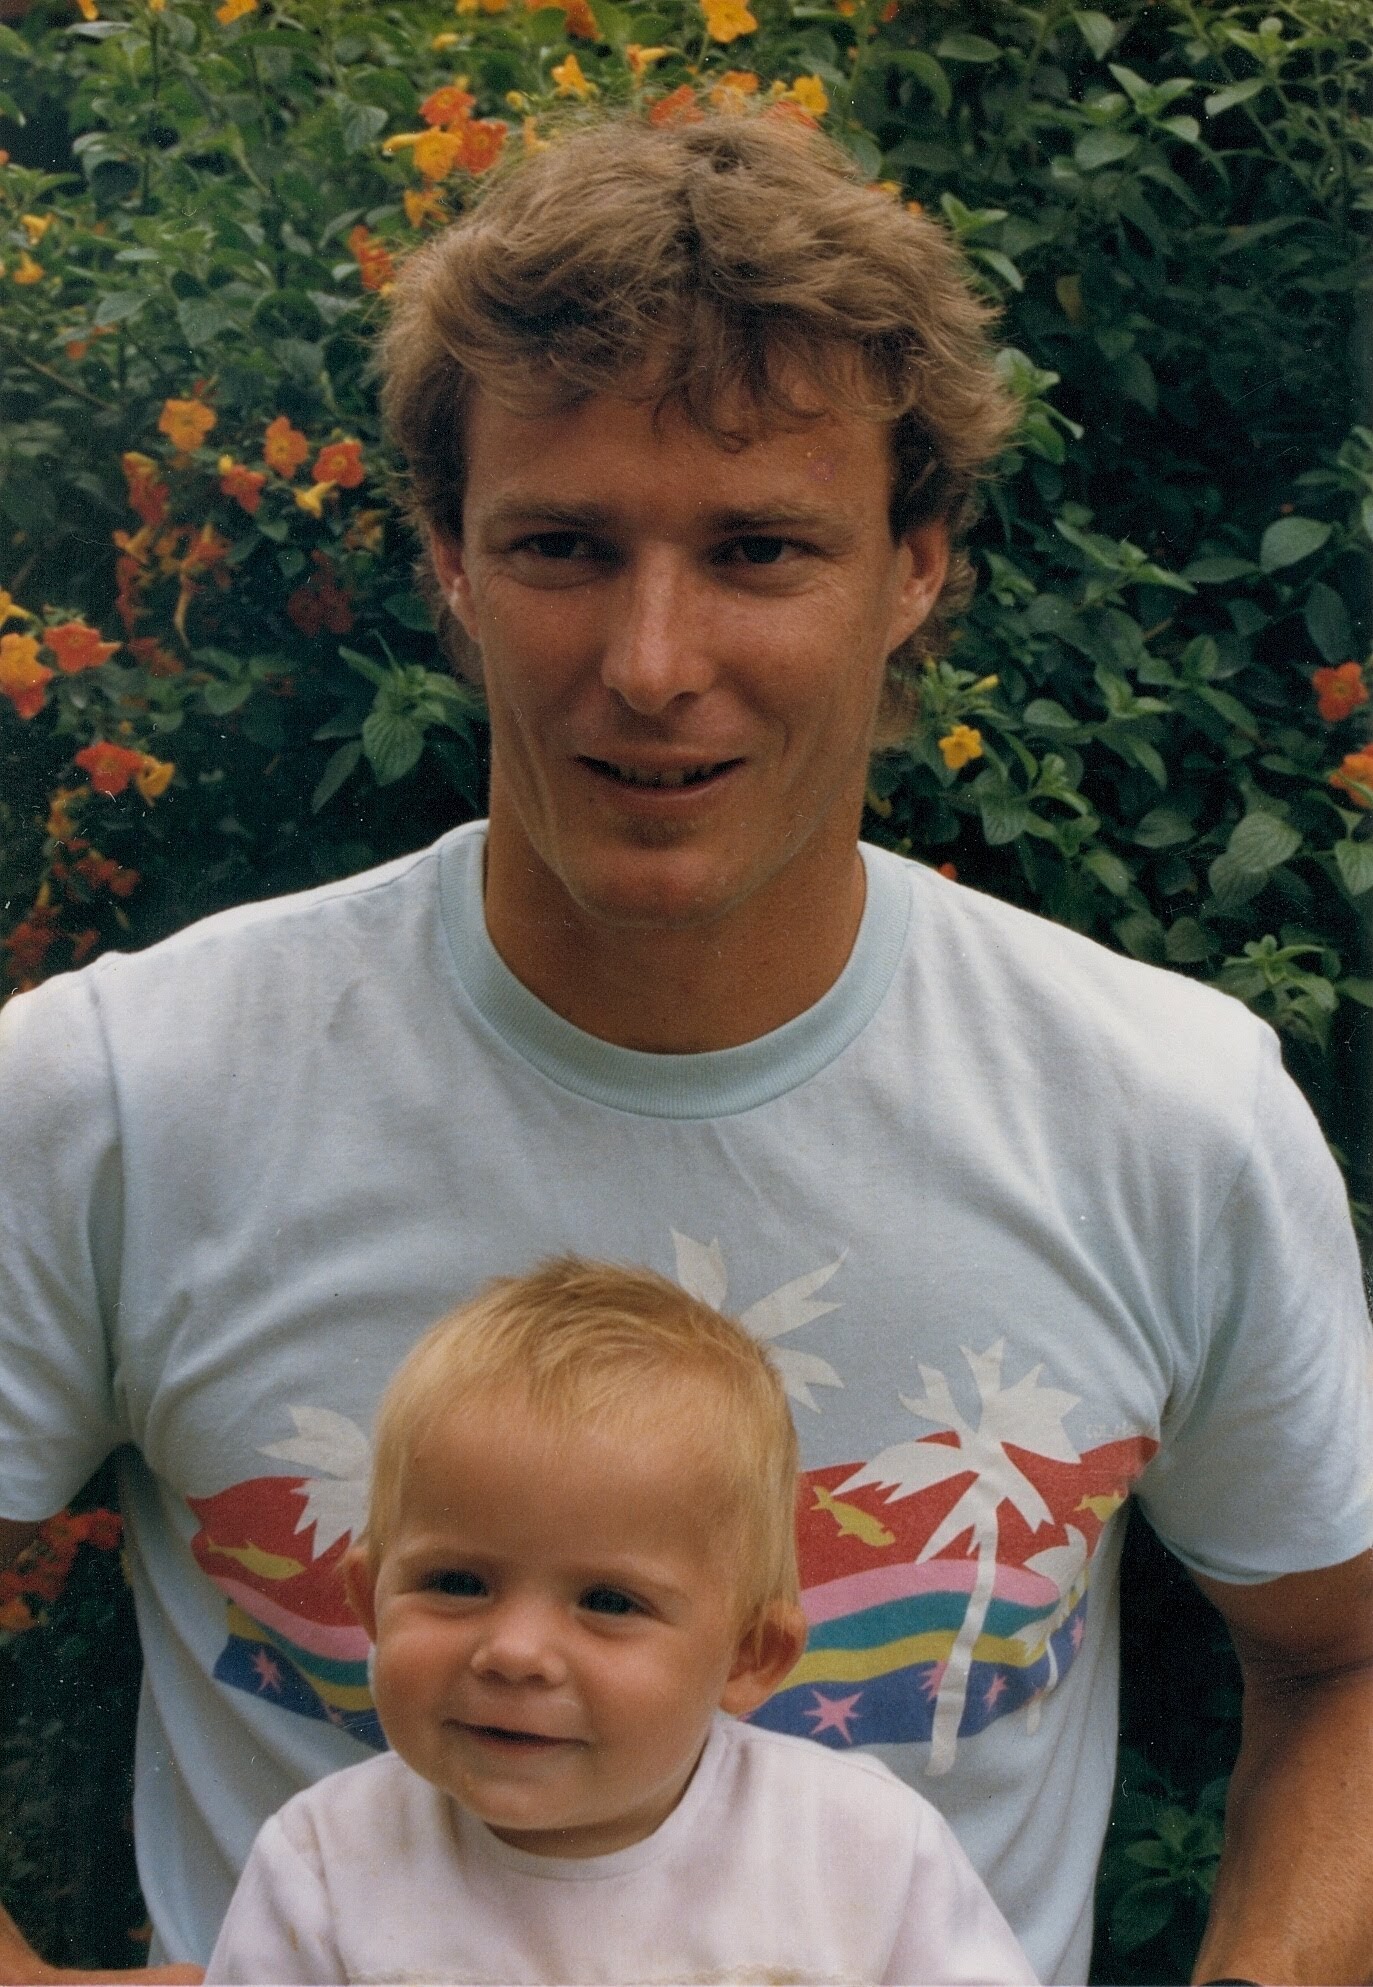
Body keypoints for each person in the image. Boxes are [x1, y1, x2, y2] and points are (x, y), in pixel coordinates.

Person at [0, 107, 1370, 1987]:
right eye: (560, 543)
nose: (650, 660)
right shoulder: (119, 1093)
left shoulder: (1163, 1111)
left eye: (756, 549)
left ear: (915, 568)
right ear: (447, 561)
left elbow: (1344, 1645)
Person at [203, 1258, 1036, 1984]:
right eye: (456, 1582)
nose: (516, 1652)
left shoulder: (861, 1850)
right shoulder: (324, 1864)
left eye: (608, 1602)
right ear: (369, 1601)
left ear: (751, 1653)